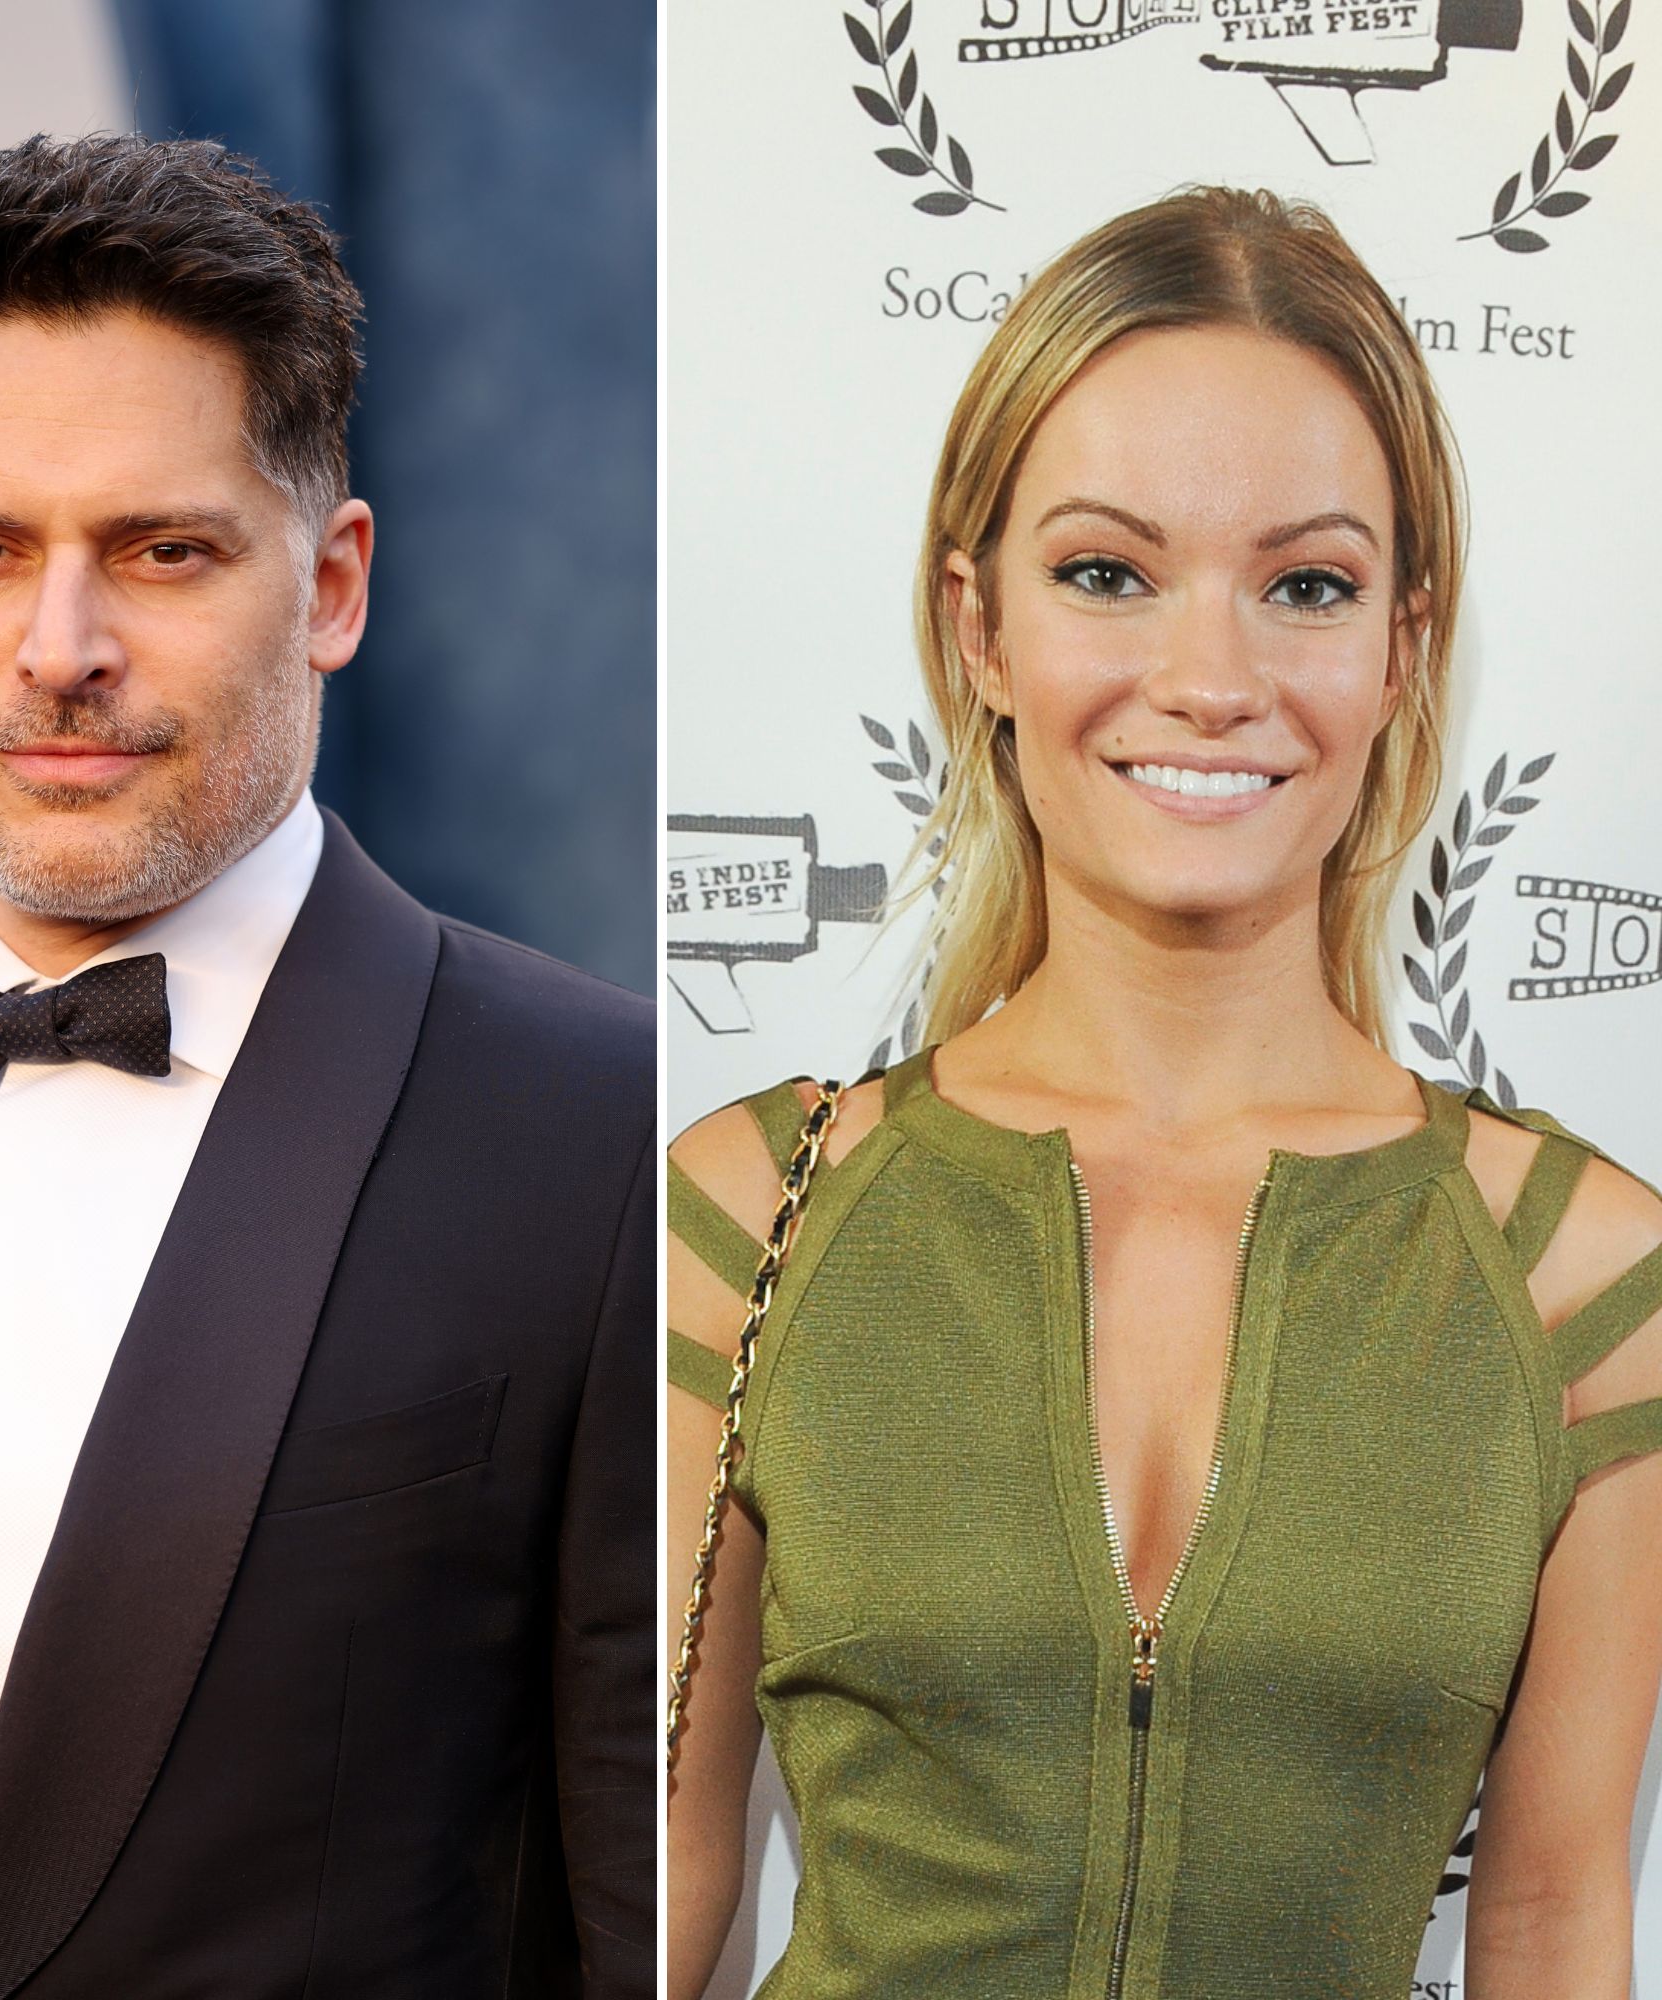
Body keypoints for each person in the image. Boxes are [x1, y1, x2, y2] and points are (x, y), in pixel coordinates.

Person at [0, 132, 653, 1999]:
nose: (61, 650)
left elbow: (644, 1910)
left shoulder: (606, 1145)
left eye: (163, 550)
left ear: (333, 587)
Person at [666, 184, 1662, 1997]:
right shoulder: (742, 1216)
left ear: (1401, 651)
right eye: (1108, 572)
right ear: (981, 632)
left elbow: (1550, 1919)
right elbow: (666, 1891)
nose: (1209, 680)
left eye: (1307, 586)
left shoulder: (1577, 1274)